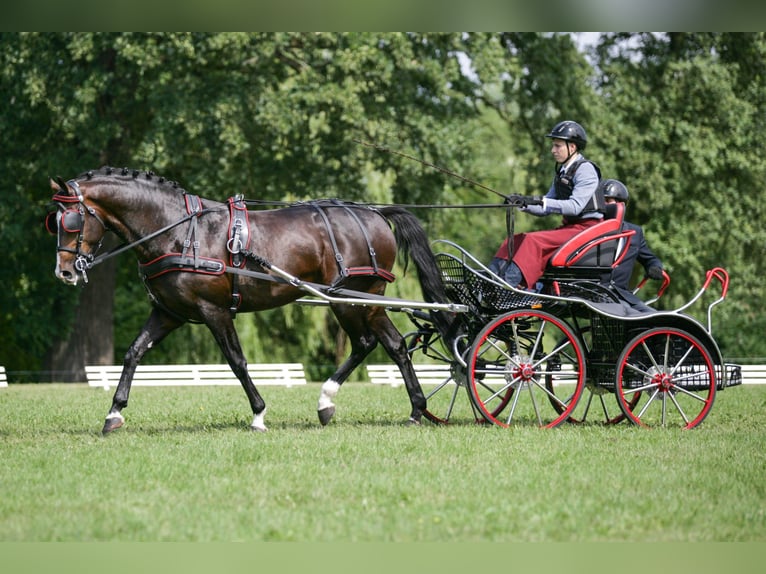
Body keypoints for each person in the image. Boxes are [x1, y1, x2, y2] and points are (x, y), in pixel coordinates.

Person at [489, 120, 605, 289]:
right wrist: (522, 203)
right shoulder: (561, 171)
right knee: (515, 240)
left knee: (532, 241)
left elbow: (575, 207)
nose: (553, 150)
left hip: (586, 231)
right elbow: (545, 206)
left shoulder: (585, 170)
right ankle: (492, 279)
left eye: (558, 146)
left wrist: (541, 201)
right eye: (553, 146)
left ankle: (509, 287)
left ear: (572, 147)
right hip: (570, 229)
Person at [598, 179, 665, 306]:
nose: (603, 206)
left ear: (621, 204)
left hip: (622, 296)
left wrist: (655, 267)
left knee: (654, 318)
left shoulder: (635, 232)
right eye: (601, 201)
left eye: (608, 201)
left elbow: (650, 258)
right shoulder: (590, 230)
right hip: (595, 293)